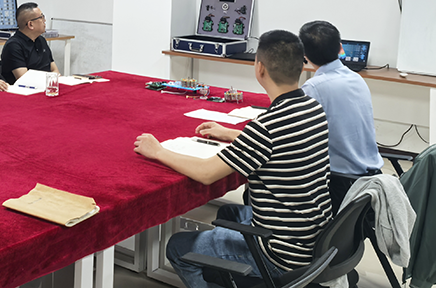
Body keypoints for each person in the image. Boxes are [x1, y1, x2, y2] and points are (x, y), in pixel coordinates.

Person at [134, 30, 332, 288]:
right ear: (302, 66)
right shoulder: (313, 108)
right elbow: (280, 143)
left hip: (279, 252)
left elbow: (206, 173)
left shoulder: (266, 127)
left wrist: (158, 151)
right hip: (311, 237)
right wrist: (231, 133)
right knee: (228, 213)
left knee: (178, 247)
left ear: (259, 68)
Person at [298, 20, 383, 212]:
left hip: (339, 183)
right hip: (370, 178)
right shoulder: (356, 78)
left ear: (304, 55)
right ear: (340, 48)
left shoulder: (313, 88)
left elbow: (293, 136)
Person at [0, 2, 59, 83]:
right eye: (41, 17)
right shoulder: (13, 46)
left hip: (46, 85)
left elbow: (55, 70)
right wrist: (49, 79)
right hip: (26, 89)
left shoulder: (41, 40)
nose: (44, 20)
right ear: (30, 24)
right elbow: (24, 79)